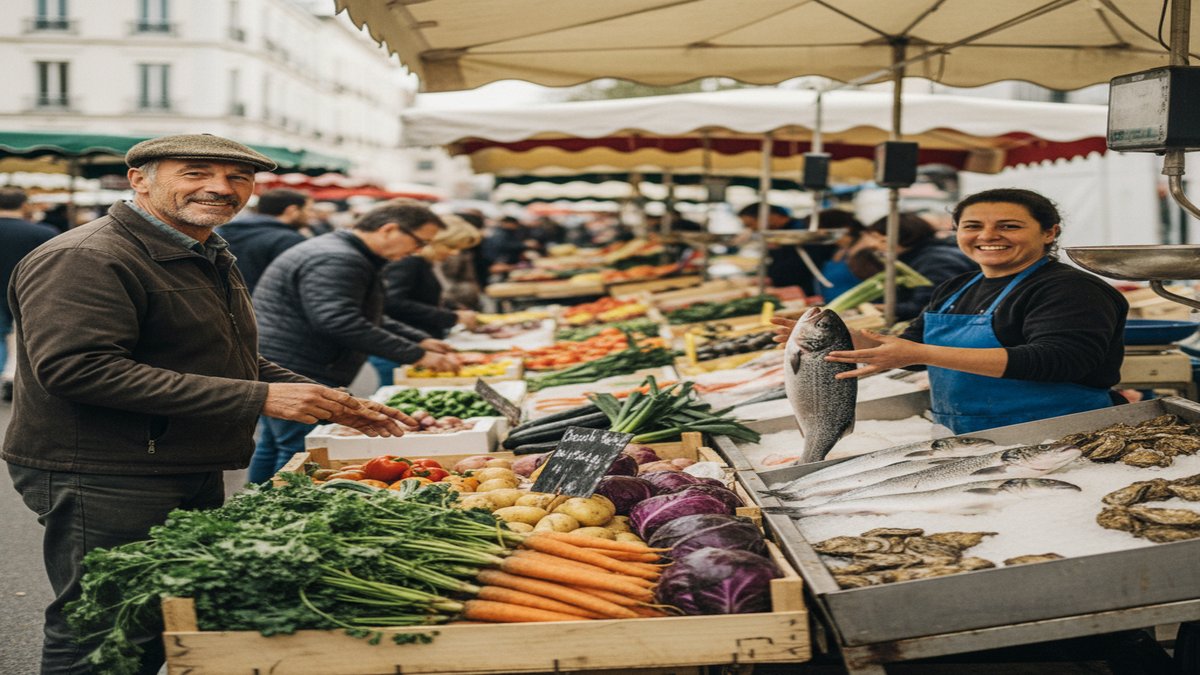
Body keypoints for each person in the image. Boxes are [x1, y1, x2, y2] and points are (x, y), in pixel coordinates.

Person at [3, 134, 411, 675]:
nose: (221, 187)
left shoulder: (206, 250)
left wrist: (328, 401)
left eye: (238, 178)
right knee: (103, 629)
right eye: (196, 172)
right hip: (102, 469)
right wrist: (263, 397)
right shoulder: (86, 257)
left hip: (175, 456)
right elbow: (78, 369)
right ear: (139, 180)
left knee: (159, 614)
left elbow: (226, 356)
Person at [774, 188, 1127, 435]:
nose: (988, 235)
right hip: (969, 434)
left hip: (1064, 436)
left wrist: (922, 352)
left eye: (1009, 226)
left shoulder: (1069, 288)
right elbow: (909, 351)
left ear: (1050, 232)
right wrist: (833, 340)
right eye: (973, 226)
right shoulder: (957, 286)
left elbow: (1061, 361)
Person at [250, 200, 461, 481]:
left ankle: (258, 495)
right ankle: (272, 508)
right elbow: (338, 320)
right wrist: (417, 355)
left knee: (275, 443)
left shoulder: (338, 250)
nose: (419, 251)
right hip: (298, 364)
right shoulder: (339, 258)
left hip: (289, 358)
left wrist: (420, 341)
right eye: (419, 241)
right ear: (389, 230)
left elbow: (360, 313)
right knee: (296, 448)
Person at [368, 214, 483, 385]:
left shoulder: (425, 262)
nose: (455, 253)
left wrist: (454, 310)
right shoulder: (410, 262)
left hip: (413, 340)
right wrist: (451, 317)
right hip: (399, 343)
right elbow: (393, 302)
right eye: (451, 246)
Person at [848, 212, 979, 321]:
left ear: (897, 236)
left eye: (878, 238)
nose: (874, 245)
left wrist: (882, 308)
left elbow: (930, 305)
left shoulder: (936, 260)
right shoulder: (918, 257)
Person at [0, 188, 58, 401]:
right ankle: (12, 377)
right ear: (24, 205)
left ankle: (3, 374)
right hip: (30, 291)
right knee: (25, 338)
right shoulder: (44, 233)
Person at [215, 187, 312, 292]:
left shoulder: (225, 231)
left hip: (227, 299)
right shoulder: (289, 239)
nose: (310, 215)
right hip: (266, 303)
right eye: (308, 210)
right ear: (292, 210)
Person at [738, 202, 837, 295]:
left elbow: (800, 265)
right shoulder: (777, 233)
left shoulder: (801, 232)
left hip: (809, 290)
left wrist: (773, 279)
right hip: (789, 288)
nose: (752, 229)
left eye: (750, 224)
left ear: (771, 216)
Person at [812, 209, 867, 302]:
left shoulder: (863, 249)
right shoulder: (839, 249)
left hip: (858, 305)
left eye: (822, 229)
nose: (819, 233)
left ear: (845, 228)